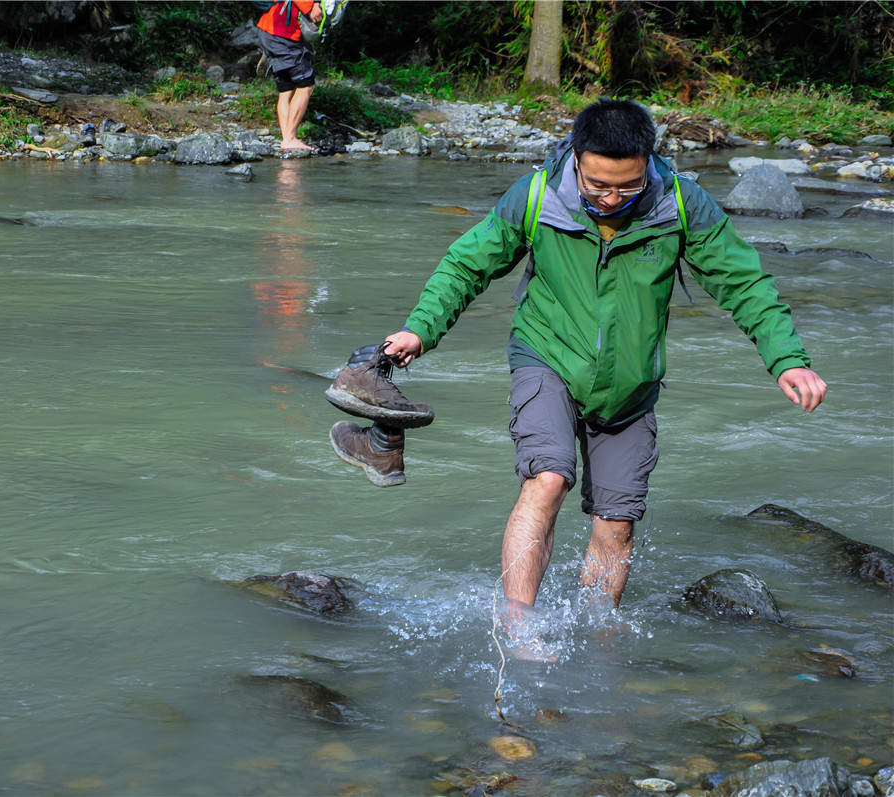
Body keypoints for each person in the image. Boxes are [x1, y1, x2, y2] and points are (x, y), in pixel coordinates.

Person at [329, 98, 827, 642]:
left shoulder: (681, 205)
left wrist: (787, 360)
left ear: (649, 163)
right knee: (549, 477)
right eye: (597, 186)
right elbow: (467, 264)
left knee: (616, 522)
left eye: (627, 186)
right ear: (576, 158)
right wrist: (421, 328)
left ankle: (597, 635)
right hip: (546, 358)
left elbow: (744, 283)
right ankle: (517, 630)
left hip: (632, 387)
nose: (611, 199)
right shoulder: (538, 197)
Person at [256, 0, 323, 151]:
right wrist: (311, 7)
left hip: (267, 31)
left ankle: (287, 139)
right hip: (282, 35)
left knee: (286, 90)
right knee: (306, 84)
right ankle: (290, 139)